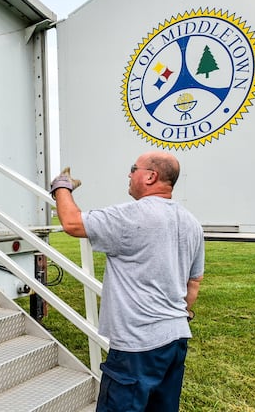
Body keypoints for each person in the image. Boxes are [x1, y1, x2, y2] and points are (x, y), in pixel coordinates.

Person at [50, 151, 204, 412]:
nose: (129, 174)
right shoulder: (192, 223)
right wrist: (182, 313)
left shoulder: (131, 216)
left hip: (137, 346)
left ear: (150, 176)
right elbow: (194, 283)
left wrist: (61, 185)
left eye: (134, 169)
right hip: (176, 339)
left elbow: (72, 223)